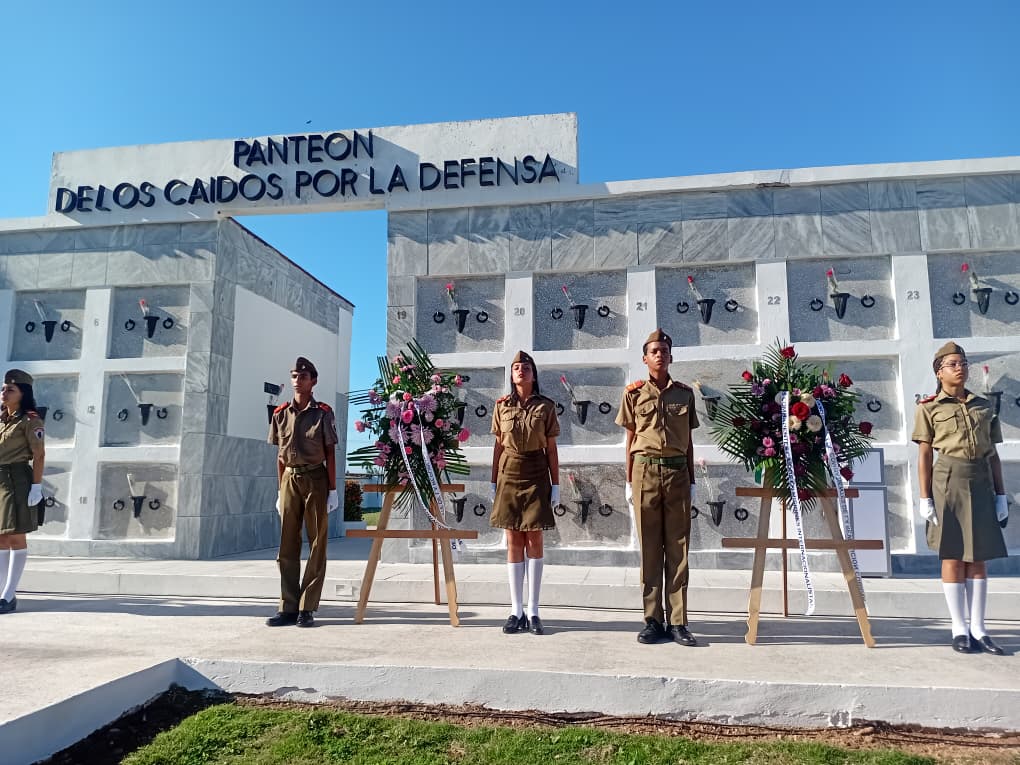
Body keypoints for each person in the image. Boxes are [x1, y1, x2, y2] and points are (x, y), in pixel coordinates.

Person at [913, 341, 1009, 655]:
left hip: (980, 481)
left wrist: (1000, 494)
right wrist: (925, 497)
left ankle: (979, 629)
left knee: (978, 557)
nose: (960, 368)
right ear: (939, 372)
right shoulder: (928, 407)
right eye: (953, 364)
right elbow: (925, 456)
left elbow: (993, 454)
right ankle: (959, 628)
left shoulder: (984, 406)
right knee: (953, 555)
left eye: (963, 363)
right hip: (948, 482)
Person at [616, 329, 699, 646]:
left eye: (664, 350)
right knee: (650, 549)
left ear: (671, 356)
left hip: (677, 473)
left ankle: (678, 621)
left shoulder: (684, 394)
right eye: (654, 350)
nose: (659, 354)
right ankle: (653, 619)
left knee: (678, 550)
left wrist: (691, 480)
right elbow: (630, 441)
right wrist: (628, 481)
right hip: (645, 473)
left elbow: (689, 443)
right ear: (645, 358)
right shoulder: (634, 394)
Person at [266, 356, 340, 628]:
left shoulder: (323, 412)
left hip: (316, 479)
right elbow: (279, 457)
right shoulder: (280, 413)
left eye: (303, 376)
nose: (298, 380)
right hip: (289, 479)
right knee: (287, 544)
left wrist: (332, 489)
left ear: (313, 381)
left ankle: (307, 607)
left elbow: (330, 452)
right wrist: (279, 490)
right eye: (295, 376)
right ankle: (288, 606)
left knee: (317, 543)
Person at [490, 351, 560, 635]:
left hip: (535, 473)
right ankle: (515, 611)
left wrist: (555, 484)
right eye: (516, 368)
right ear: (511, 374)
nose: (521, 371)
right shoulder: (502, 406)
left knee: (535, 537)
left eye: (526, 368)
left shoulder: (546, 407)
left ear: (534, 374)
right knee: (512, 539)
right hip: (509, 473)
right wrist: (493, 480)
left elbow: (552, 449)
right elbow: (497, 445)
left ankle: (533, 611)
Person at [0, 369, 46, 615]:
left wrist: (36, 486)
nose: (4, 393)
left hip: (16, 479)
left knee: (16, 536)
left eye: (10, 389)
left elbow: (39, 454)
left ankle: (9, 595)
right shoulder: (1, 419)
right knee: (0, 538)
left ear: (23, 393)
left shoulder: (30, 420)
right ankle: (1, 591)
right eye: (3, 388)